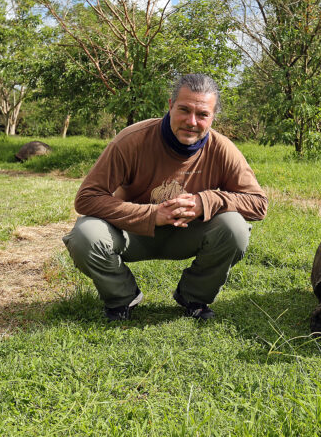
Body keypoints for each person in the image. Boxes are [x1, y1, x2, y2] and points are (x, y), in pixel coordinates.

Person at [62, 73, 268, 322]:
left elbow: (258, 204)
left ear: (213, 117)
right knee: (85, 234)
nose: (191, 121)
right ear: (170, 105)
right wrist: (152, 214)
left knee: (234, 228)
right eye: (184, 110)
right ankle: (122, 297)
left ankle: (194, 297)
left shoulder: (222, 148)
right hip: (131, 232)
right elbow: (86, 198)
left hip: (188, 233)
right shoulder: (132, 140)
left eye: (202, 114)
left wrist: (205, 202)